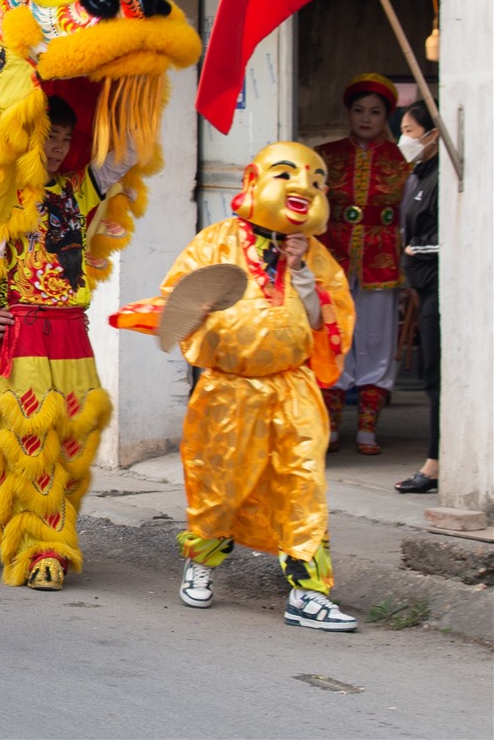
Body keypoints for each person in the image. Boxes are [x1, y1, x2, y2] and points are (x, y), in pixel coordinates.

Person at [116, 142, 358, 631]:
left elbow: (325, 324)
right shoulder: (216, 242)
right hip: (229, 391)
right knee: (219, 486)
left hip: (293, 390)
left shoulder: (316, 257)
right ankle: (201, 561)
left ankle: (308, 592)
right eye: (288, 175)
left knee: (302, 484)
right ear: (254, 180)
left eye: (315, 181)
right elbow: (180, 302)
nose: (303, 189)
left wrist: (302, 273)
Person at [0, 96, 137, 591]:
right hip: (24, 329)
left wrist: (132, 84)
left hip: (72, 329)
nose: (57, 148)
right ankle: (35, 547)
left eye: (66, 139)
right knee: (31, 440)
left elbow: (126, 155)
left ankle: (54, 531)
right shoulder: (5, 192)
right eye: (51, 136)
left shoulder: (78, 189)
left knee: (73, 443)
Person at [317, 73, 410, 454]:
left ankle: (368, 429)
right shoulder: (325, 155)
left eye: (374, 111)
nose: (366, 118)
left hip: (380, 259)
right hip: (333, 258)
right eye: (359, 110)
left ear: (386, 115)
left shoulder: (401, 161)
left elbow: (407, 215)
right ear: (349, 113)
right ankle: (333, 425)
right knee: (335, 338)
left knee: (375, 340)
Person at [396, 101, 442, 494]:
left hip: (440, 289)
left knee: (437, 379)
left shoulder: (443, 176)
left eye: (410, 131)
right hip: (424, 289)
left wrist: (414, 253)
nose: (404, 139)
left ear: (433, 133)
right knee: (432, 376)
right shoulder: (418, 174)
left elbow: (445, 239)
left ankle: (436, 462)